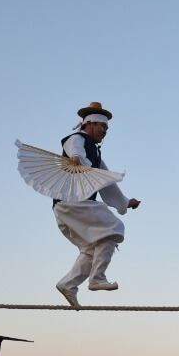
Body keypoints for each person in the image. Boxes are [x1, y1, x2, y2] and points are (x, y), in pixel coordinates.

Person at [52, 101, 141, 307]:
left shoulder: (96, 154)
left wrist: (126, 202)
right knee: (113, 229)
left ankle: (68, 284)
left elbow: (106, 182)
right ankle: (97, 278)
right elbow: (74, 148)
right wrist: (76, 157)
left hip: (68, 208)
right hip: (73, 203)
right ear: (90, 124)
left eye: (107, 128)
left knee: (91, 249)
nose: (105, 131)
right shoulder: (78, 138)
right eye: (103, 127)